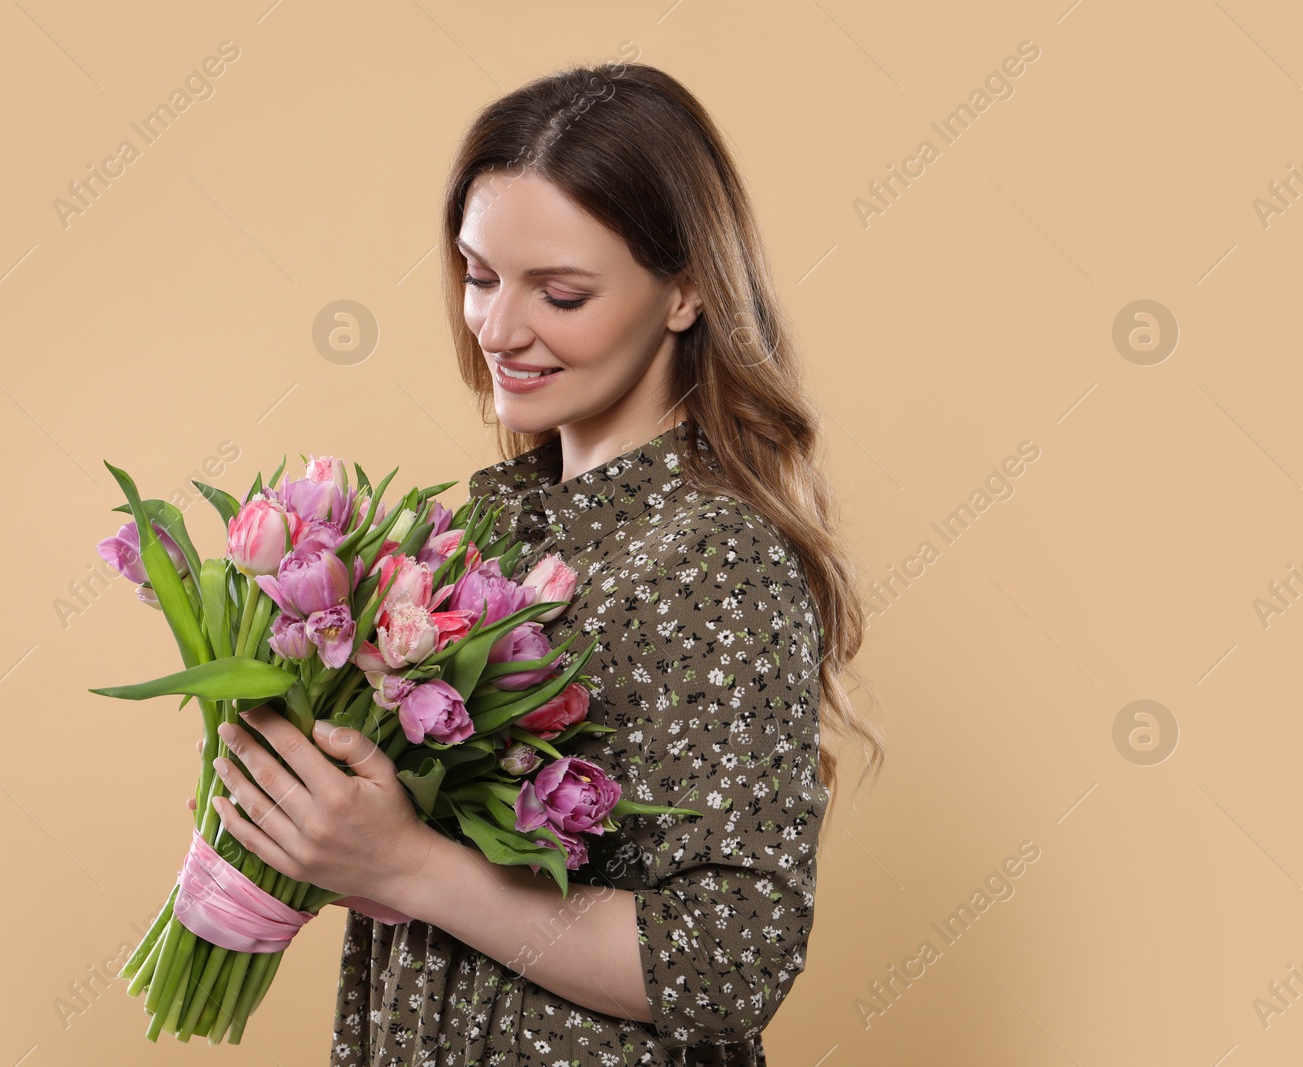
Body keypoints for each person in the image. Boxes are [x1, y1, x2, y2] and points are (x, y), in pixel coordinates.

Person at [208, 61, 885, 1065]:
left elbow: (729, 959)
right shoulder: (500, 534)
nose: (497, 328)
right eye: (479, 275)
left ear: (685, 291)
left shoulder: (708, 555)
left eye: (559, 293)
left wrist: (409, 864)